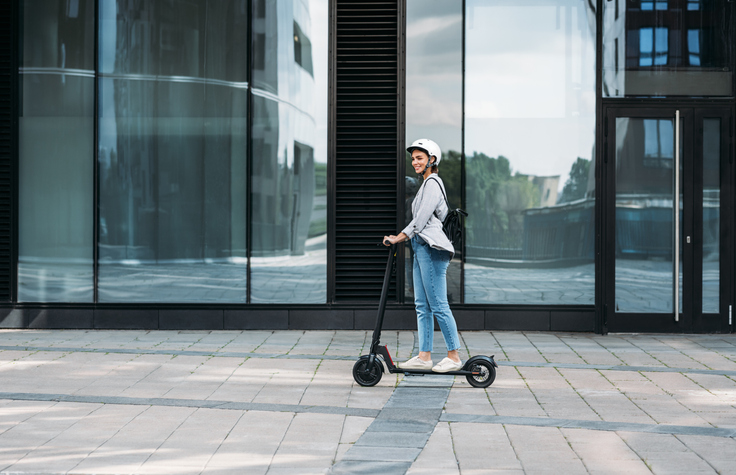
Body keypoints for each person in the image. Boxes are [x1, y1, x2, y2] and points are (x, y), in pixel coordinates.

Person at [383, 139, 462, 373]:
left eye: (419, 158)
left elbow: (420, 220)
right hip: (420, 248)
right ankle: (424, 356)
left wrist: (398, 237)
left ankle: (454, 356)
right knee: (421, 305)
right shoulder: (425, 184)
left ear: (432, 160)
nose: (414, 162)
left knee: (438, 304)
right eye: (413, 158)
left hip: (431, 250)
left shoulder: (433, 184)